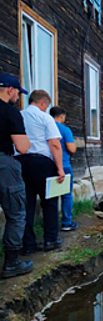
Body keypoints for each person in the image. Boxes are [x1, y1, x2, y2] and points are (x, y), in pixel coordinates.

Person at [15, 90, 65, 255]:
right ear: (42, 103)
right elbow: (55, 144)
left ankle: (28, 244)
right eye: (47, 106)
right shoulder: (45, 118)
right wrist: (59, 168)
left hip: (21, 162)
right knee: (49, 202)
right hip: (42, 162)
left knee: (27, 204)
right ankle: (50, 239)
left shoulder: (18, 115)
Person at [0, 74, 34, 278]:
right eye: (18, 93)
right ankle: (11, 263)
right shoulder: (10, 113)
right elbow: (22, 147)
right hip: (4, 165)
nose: (18, 97)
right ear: (10, 90)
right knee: (16, 214)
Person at [50, 106, 78, 231]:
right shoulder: (65, 130)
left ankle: (51, 224)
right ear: (61, 116)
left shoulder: (46, 127)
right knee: (66, 195)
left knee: (51, 196)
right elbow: (71, 148)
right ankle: (67, 222)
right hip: (64, 165)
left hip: (48, 165)